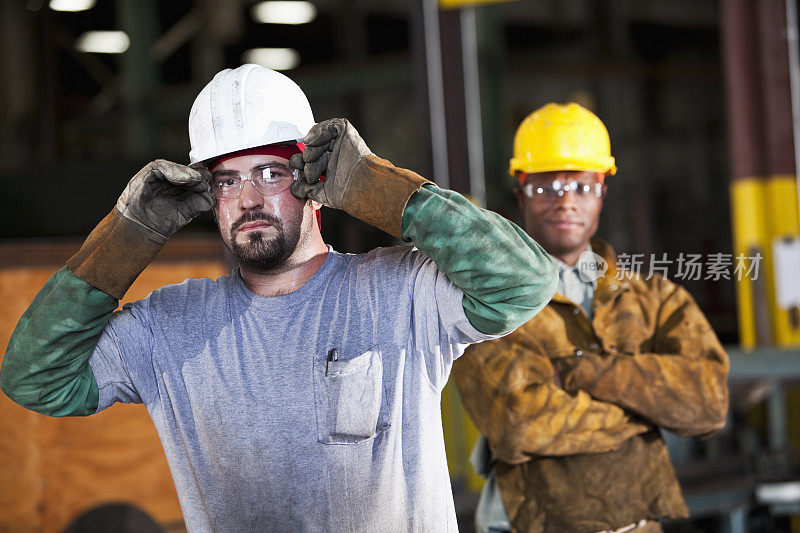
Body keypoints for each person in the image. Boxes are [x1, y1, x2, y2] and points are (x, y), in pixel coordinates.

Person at [0, 64, 557, 532]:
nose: (247, 198)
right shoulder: (169, 329)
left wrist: (379, 187)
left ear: (313, 178)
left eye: (269, 172)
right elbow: (34, 379)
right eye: (226, 180)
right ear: (208, 195)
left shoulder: (401, 295)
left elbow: (524, 282)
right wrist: (127, 234)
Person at [452, 103, 730, 533]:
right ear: (520, 192)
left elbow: (708, 403)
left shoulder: (653, 298)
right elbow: (520, 424)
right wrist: (645, 415)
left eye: (582, 187)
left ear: (603, 192)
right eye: (547, 187)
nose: (566, 201)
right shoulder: (488, 302)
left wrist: (584, 374)